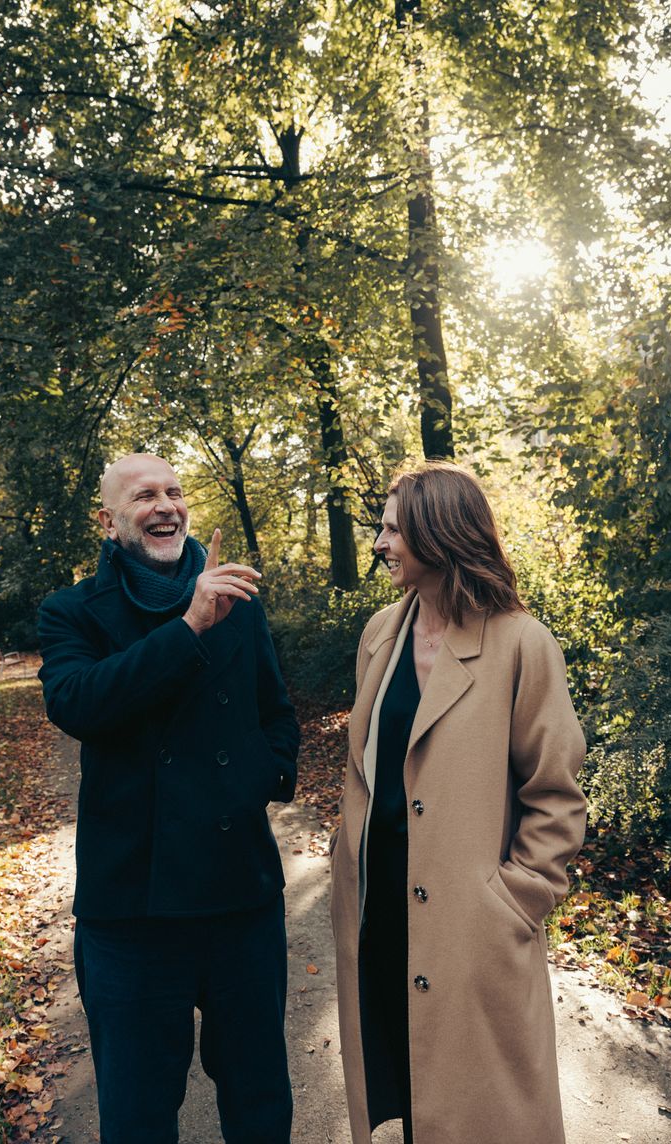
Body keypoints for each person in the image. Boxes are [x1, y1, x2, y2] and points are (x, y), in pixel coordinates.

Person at [37, 453, 299, 1144]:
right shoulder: (71, 611)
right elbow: (77, 704)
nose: (165, 506)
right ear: (109, 520)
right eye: (145, 495)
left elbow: (274, 710)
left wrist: (260, 780)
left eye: (174, 492)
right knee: (137, 1111)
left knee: (259, 1097)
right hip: (130, 909)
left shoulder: (235, 598)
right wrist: (187, 626)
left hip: (239, 894)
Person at [330, 461, 587, 1144]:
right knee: (409, 1079)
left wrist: (515, 897)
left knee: (482, 1105)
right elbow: (368, 765)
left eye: (391, 530)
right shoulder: (379, 635)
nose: (380, 544)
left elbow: (554, 792)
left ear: (436, 533)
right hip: (378, 909)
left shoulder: (520, 644)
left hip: (469, 923)